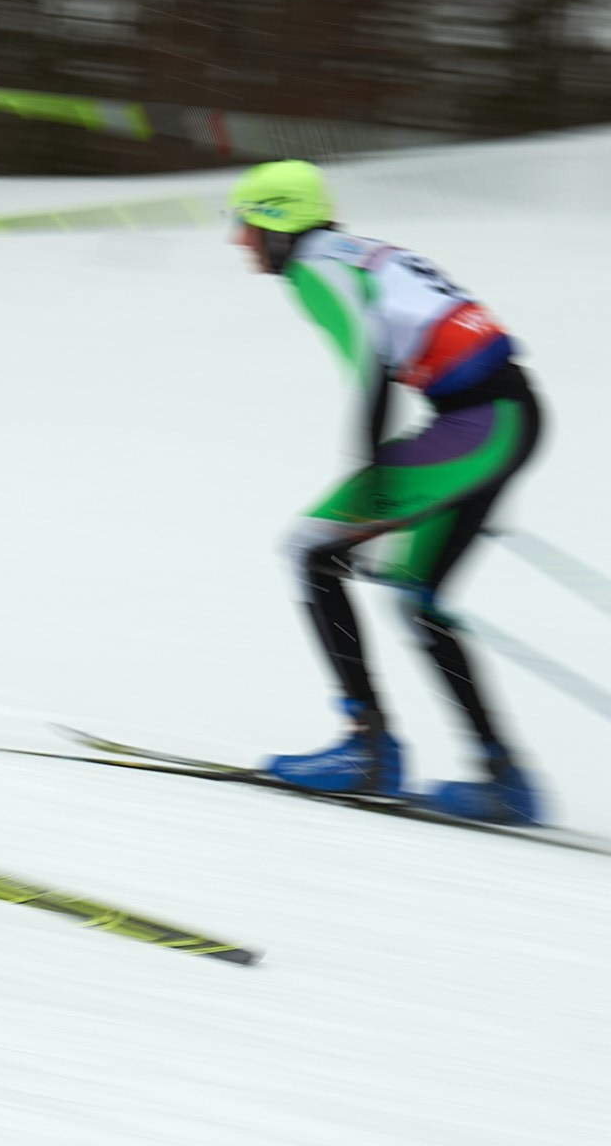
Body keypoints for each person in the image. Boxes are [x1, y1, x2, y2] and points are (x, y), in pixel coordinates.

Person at [230, 159, 546, 824]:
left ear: (279, 220)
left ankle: (366, 749)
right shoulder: (356, 251)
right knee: (417, 599)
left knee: (312, 550)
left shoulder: (315, 263)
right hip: (498, 418)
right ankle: (505, 779)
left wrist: (374, 476)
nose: (240, 240)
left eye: (247, 223)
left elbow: (373, 363)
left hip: (478, 424)